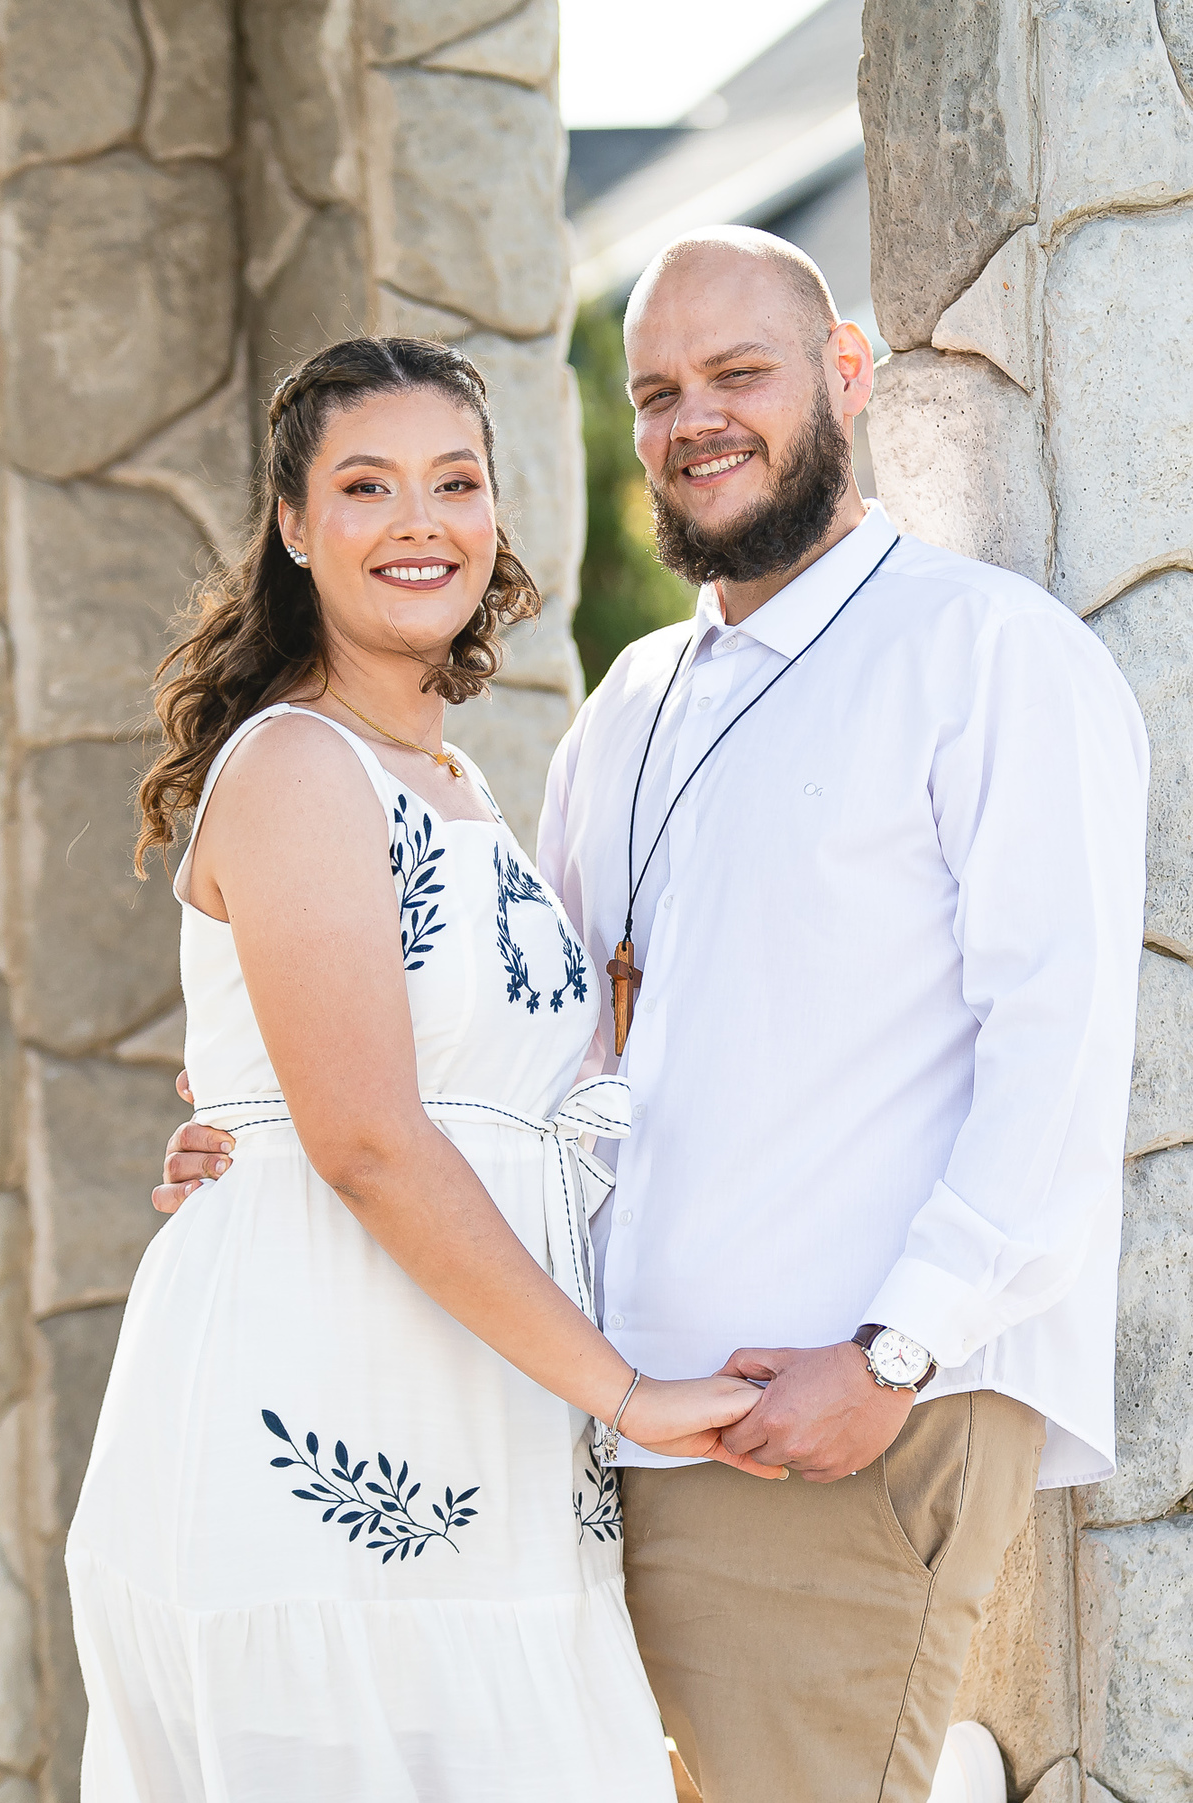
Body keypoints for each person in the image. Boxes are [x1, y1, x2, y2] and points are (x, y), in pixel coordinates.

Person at [157, 232, 1149, 1803]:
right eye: (659, 392)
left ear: (845, 373)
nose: (697, 420)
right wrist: (264, 1136)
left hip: (823, 1424)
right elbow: (529, 1057)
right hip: (583, 1442)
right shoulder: (629, 707)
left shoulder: (985, 654)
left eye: (739, 373)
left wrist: (895, 1352)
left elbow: (1064, 1052)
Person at [66, 335, 779, 1803]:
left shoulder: (454, 781)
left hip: (491, 1413)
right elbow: (369, 1142)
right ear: (292, 523)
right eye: (366, 485)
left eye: (456, 483)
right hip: (326, 1416)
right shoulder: (297, 767)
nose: (420, 522)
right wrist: (628, 1396)